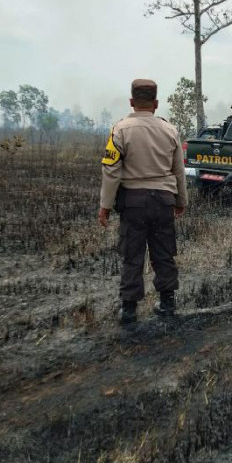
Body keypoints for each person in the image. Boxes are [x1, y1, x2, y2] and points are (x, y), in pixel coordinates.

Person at [98, 78, 188, 326]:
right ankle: (167, 303)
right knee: (164, 252)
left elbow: (111, 171)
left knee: (132, 254)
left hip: (134, 203)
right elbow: (178, 170)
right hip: (163, 201)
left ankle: (128, 309)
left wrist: (105, 206)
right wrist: (181, 200)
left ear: (131, 101)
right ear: (156, 104)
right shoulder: (170, 130)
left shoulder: (120, 130)